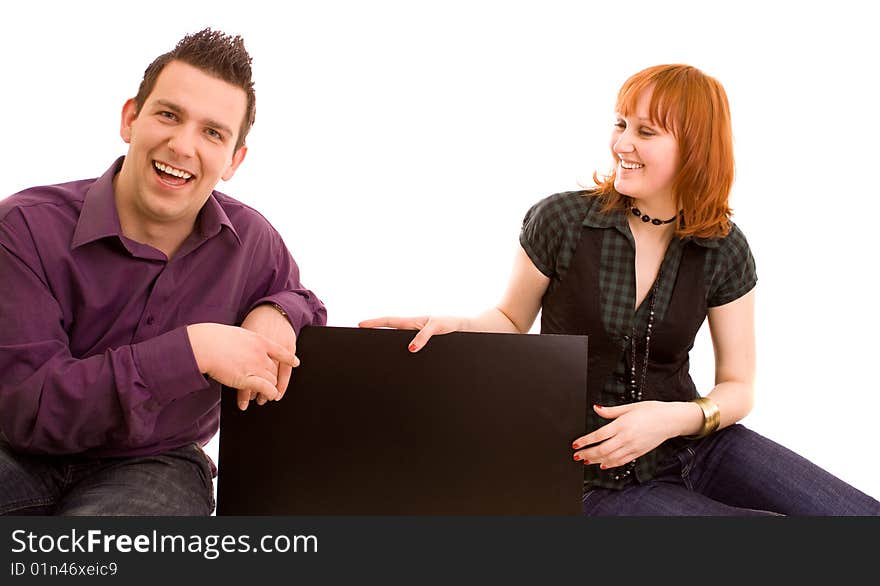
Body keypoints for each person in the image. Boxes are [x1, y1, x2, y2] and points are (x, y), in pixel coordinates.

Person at [360, 64, 880, 515]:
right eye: (621, 124)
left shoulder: (724, 246)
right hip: (594, 470)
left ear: (695, 147)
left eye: (646, 131)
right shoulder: (562, 219)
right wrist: (460, 328)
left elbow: (738, 385)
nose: (622, 144)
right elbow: (511, 321)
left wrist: (675, 418)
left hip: (695, 442)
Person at [0, 28, 327, 516]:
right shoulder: (23, 227)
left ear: (234, 160)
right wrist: (191, 351)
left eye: (212, 133)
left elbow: (304, 301)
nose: (182, 145)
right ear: (131, 118)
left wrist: (277, 309)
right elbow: (31, 408)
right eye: (169, 115)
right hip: (18, 452)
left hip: (158, 465)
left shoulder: (252, 241)